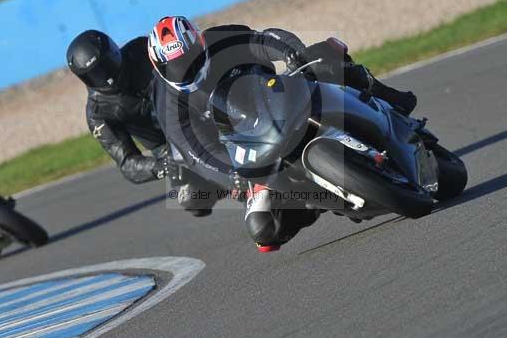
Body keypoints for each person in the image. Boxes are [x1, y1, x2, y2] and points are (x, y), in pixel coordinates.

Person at [147, 16, 417, 251]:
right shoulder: (167, 102)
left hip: (281, 97)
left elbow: (266, 40)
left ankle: (386, 99)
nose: (186, 68)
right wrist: (233, 174)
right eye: (176, 66)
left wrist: (293, 54)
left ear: (200, 44)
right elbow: (198, 151)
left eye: (190, 58)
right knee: (263, 230)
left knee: (328, 54)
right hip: (249, 148)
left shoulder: (223, 39)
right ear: (159, 67)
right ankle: (316, 202)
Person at [66, 30, 215, 216]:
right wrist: (161, 166)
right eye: (95, 74)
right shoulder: (98, 114)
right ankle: (228, 188)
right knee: (192, 199)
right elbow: (128, 163)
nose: (106, 76)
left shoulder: (142, 50)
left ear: (113, 52)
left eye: (106, 65)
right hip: (169, 149)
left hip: (196, 115)